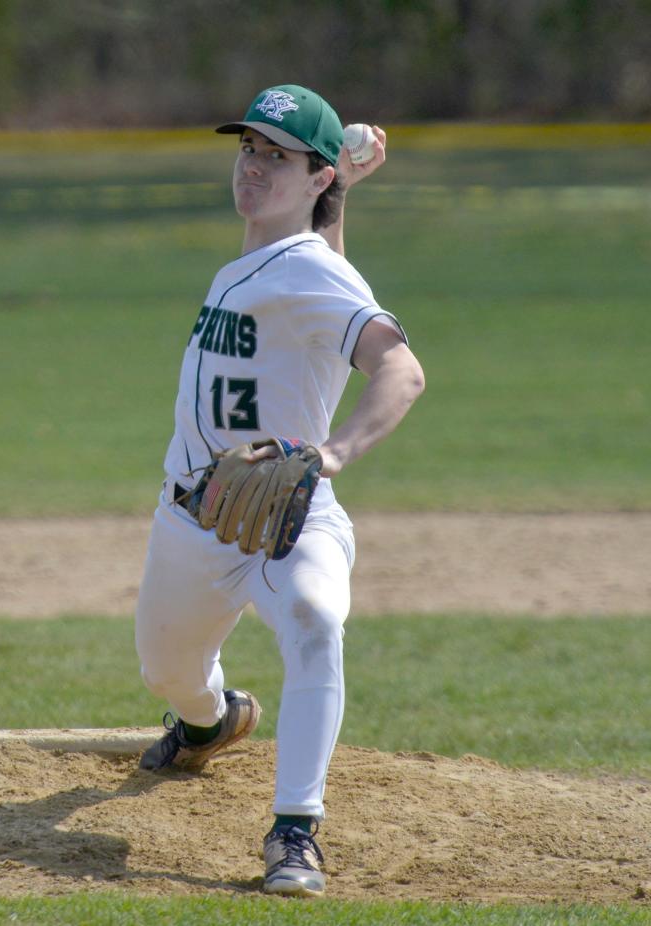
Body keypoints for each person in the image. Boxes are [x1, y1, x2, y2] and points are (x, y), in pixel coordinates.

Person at [133, 84, 425, 897]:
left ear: (313, 177)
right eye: (248, 149)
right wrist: (336, 188)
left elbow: (402, 369)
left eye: (277, 157)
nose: (253, 167)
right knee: (167, 672)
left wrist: (333, 453)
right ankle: (210, 722)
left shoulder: (308, 273)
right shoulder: (284, 258)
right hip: (194, 520)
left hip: (289, 513)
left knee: (314, 620)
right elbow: (321, 259)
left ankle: (296, 831)